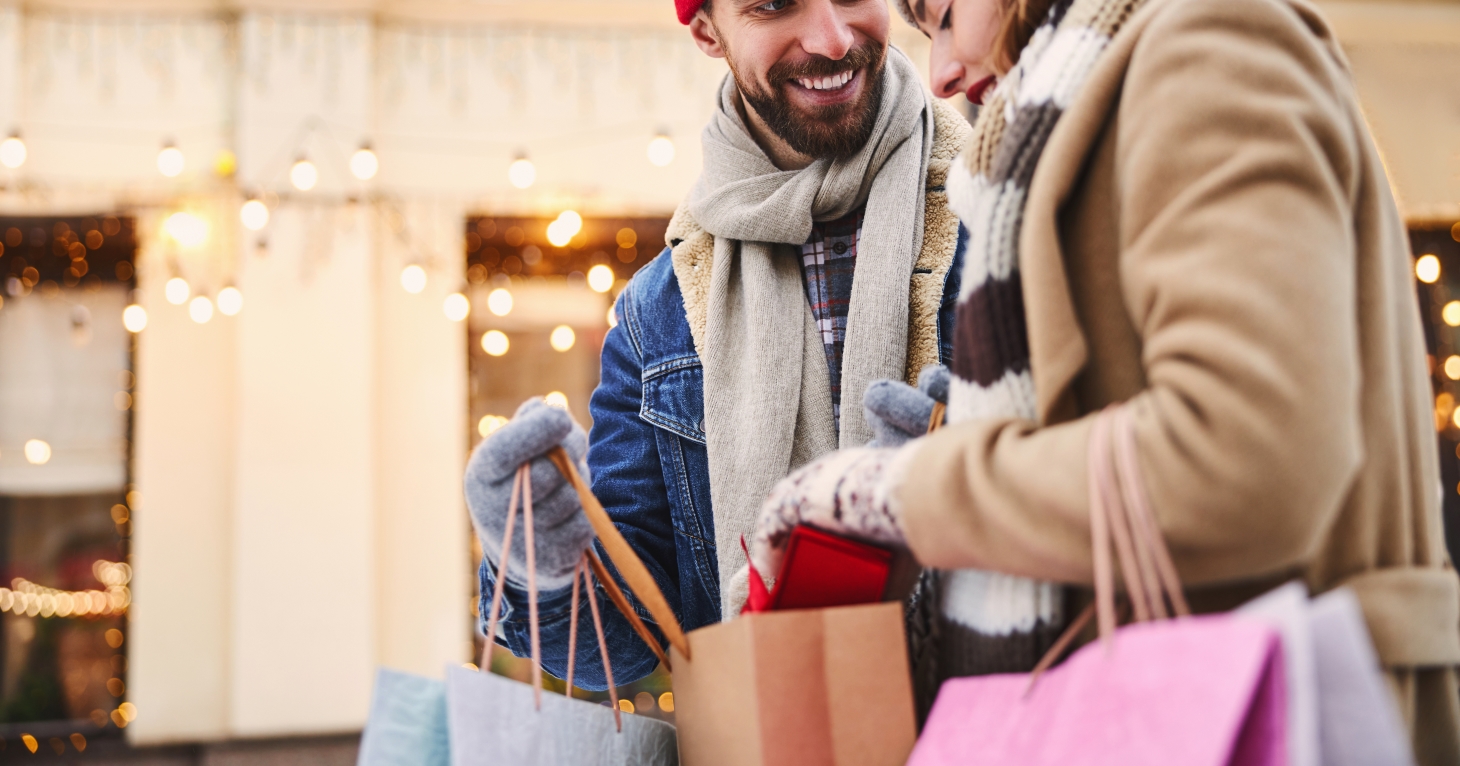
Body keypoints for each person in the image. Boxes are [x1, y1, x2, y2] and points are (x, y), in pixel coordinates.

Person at [750, 0, 1460, 761]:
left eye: (947, 13)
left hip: (1282, 714)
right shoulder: (1080, 103)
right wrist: (970, 445)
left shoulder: (1206, 44)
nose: (943, 73)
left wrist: (908, 491)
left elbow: (1246, 462)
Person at [463, 0, 979, 691]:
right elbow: (629, 648)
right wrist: (537, 563)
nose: (831, 40)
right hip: (768, 737)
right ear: (707, 31)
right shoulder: (659, 311)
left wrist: (962, 487)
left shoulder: (1004, 210)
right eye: (773, 5)